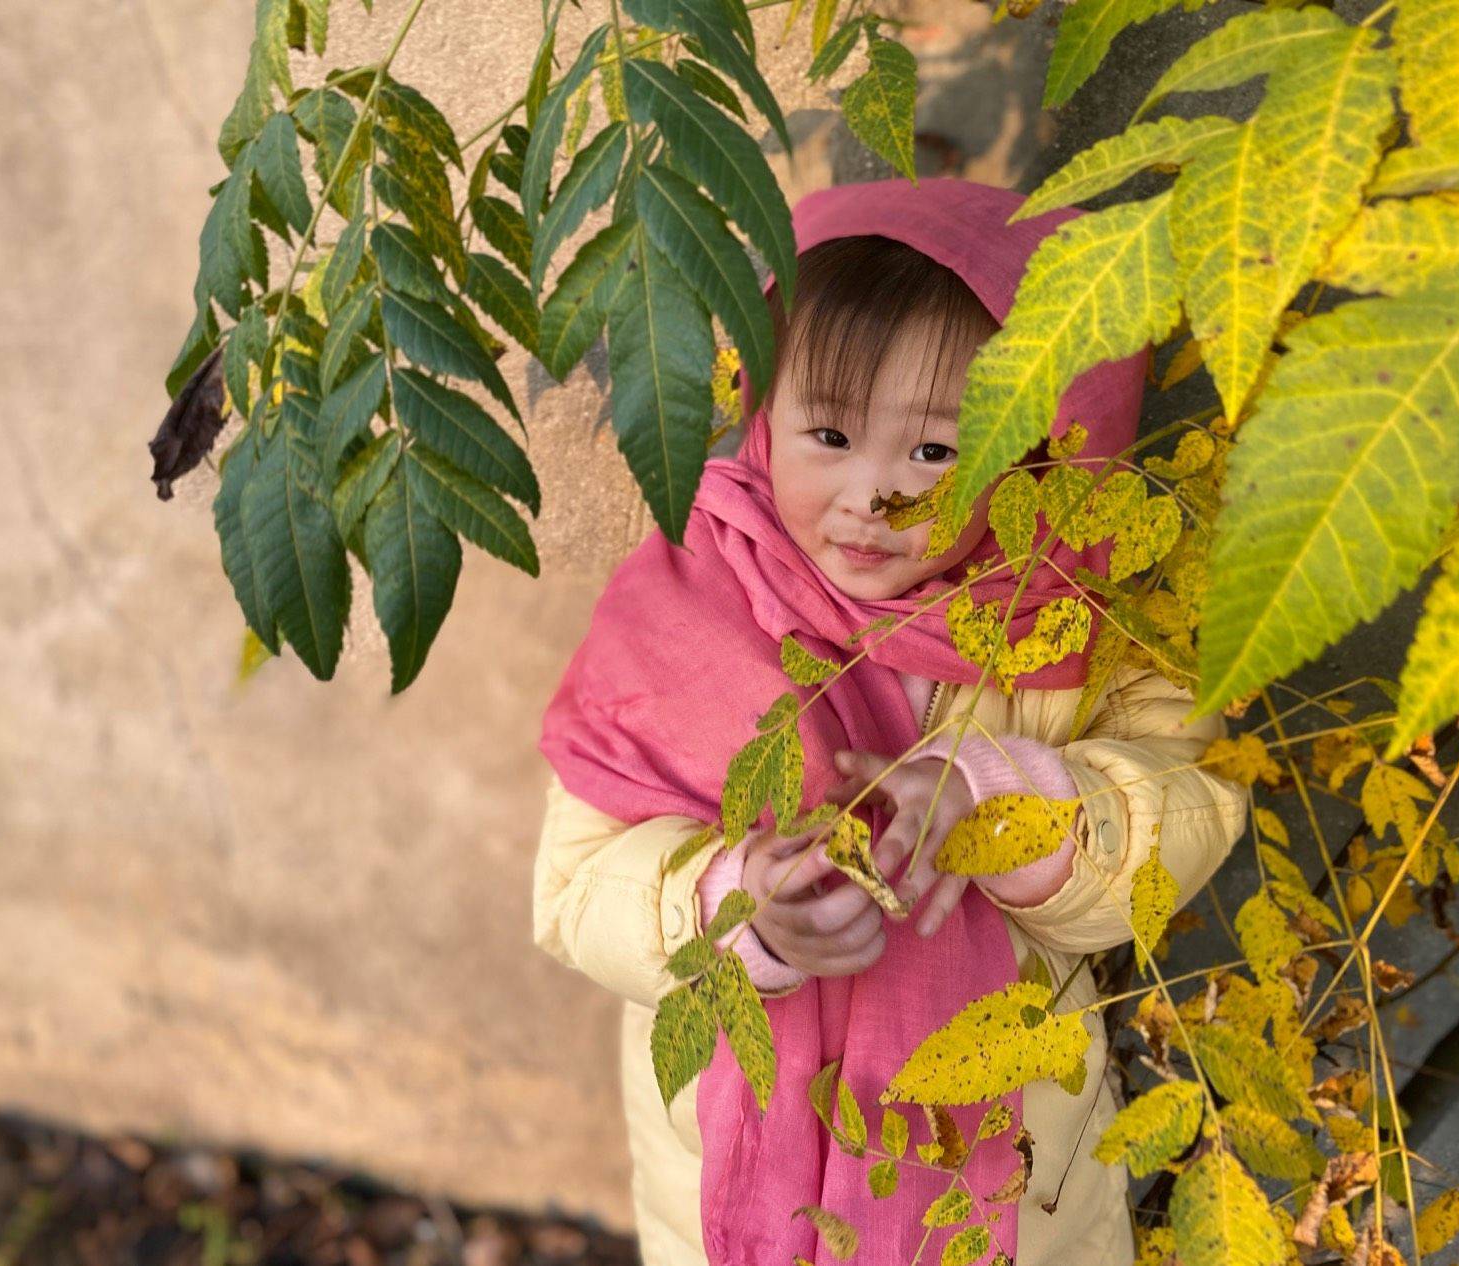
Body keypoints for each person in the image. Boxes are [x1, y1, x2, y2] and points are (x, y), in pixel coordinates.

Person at [532, 177, 1247, 1266]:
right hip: (727, 1170)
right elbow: (576, 888)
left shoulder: (1075, 614)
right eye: (827, 433)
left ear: (1046, 445)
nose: (874, 496)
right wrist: (738, 912)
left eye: (934, 451)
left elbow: (1188, 803)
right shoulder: (685, 600)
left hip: (1012, 1187)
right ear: (763, 414)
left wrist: (1003, 805)